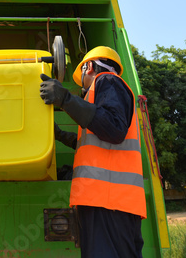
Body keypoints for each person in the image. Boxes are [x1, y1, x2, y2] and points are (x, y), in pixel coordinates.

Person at [39, 46, 146, 258]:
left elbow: (114, 129)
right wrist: (59, 135)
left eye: (82, 80)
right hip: (111, 202)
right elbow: (97, 140)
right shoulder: (110, 90)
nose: (82, 87)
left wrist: (66, 100)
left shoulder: (107, 80)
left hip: (108, 201)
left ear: (89, 67)